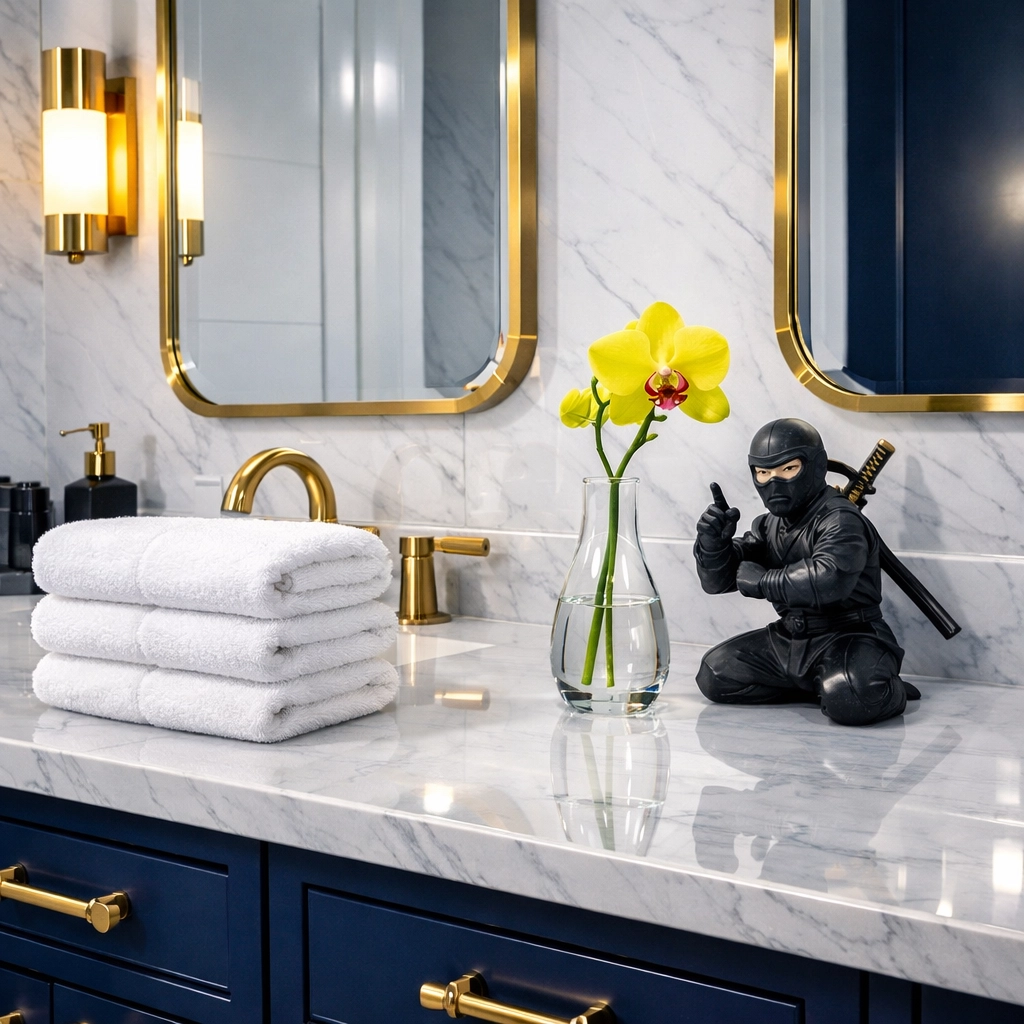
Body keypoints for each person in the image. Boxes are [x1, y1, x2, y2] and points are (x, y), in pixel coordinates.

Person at [692, 418, 919, 726]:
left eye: (788, 469)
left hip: (850, 635)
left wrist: (762, 581)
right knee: (715, 674)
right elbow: (718, 582)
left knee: (852, 697)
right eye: (763, 472)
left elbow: (829, 578)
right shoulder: (767, 525)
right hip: (790, 637)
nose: (774, 482)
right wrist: (713, 545)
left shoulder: (840, 520)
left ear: (816, 466)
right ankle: (824, 686)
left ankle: (869, 685)